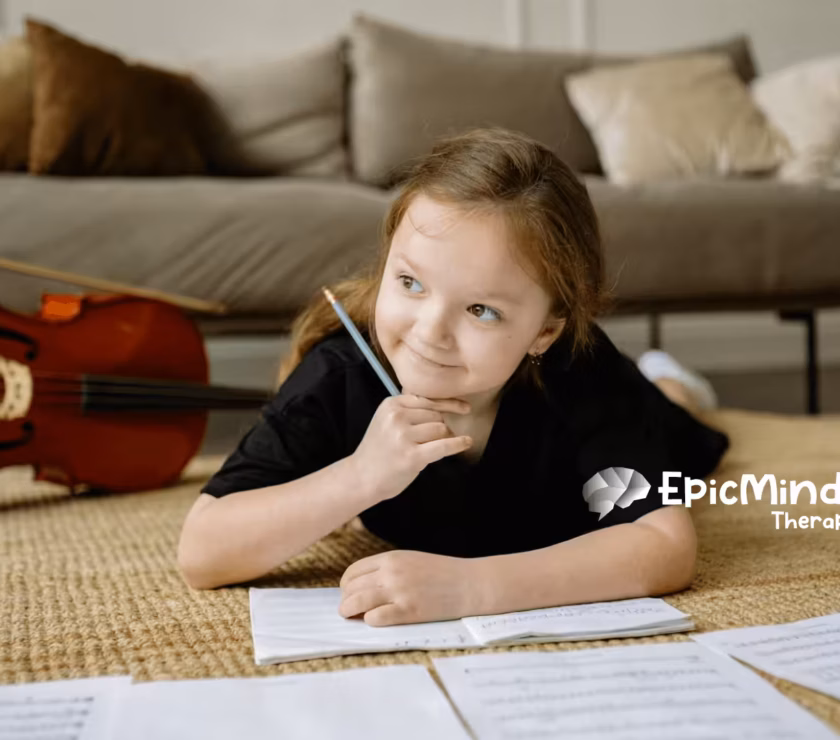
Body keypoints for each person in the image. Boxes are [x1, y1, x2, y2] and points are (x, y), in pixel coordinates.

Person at [177, 128, 729, 627]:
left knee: (682, 433)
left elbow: (665, 546)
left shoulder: (578, 369)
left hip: (614, 423)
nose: (429, 332)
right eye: (411, 283)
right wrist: (362, 475)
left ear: (544, 332)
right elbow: (202, 551)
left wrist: (472, 587)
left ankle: (669, 382)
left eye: (481, 310)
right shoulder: (339, 374)